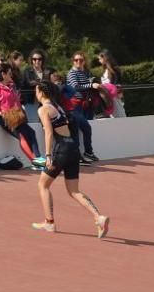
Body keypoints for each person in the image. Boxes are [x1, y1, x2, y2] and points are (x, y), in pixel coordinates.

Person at [31, 81, 109, 238]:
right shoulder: (57, 107)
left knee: (42, 185)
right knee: (74, 191)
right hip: (73, 149)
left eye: (36, 91)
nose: (35, 94)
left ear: (41, 92)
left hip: (61, 150)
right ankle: (98, 217)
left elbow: (49, 133)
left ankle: (49, 222)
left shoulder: (43, 109)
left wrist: (47, 156)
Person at [0, 64, 41, 162]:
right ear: (3, 74)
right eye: (9, 73)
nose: (11, 75)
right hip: (4, 117)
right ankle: (38, 163)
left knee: (31, 133)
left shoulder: (11, 86)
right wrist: (0, 112)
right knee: (22, 136)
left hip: (16, 115)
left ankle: (39, 159)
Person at [66, 53, 100, 163]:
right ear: (73, 61)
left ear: (84, 61)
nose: (78, 62)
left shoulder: (83, 73)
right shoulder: (72, 73)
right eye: (76, 60)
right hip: (73, 105)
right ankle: (82, 154)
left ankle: (84, 154)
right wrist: (91, 85)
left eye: (81, 60)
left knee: (80, 129)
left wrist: (92, 83)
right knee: (80, 129)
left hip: (81, 105)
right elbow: (75, 87)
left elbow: (85, 85)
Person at [97, 49, 126, 118]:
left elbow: (118, 83)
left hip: (114, 97)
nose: (99, 61)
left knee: (120, 115)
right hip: (107, 98)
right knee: (113, 116)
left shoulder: (114, 69)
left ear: (105, 58)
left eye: (100, 58)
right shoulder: (105, 70)